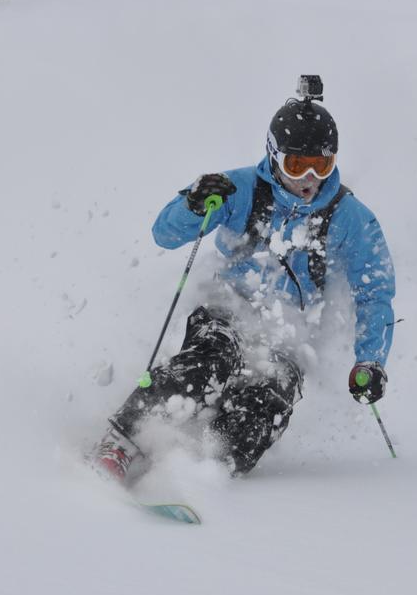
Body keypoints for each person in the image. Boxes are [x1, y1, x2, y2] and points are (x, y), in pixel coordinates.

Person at [92, 76, 396, 482]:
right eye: (296, 165)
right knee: (211, 360)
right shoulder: (241, 188)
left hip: (289, 334)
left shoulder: (350, 217)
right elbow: (164, 234)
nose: (309, 179)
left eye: (321, 166)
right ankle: (123, 441)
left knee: (265, 401)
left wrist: (370, 360)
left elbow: (375, 292)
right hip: (228, 307)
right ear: (274, 156)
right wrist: (193, 204)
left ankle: (197, 468)